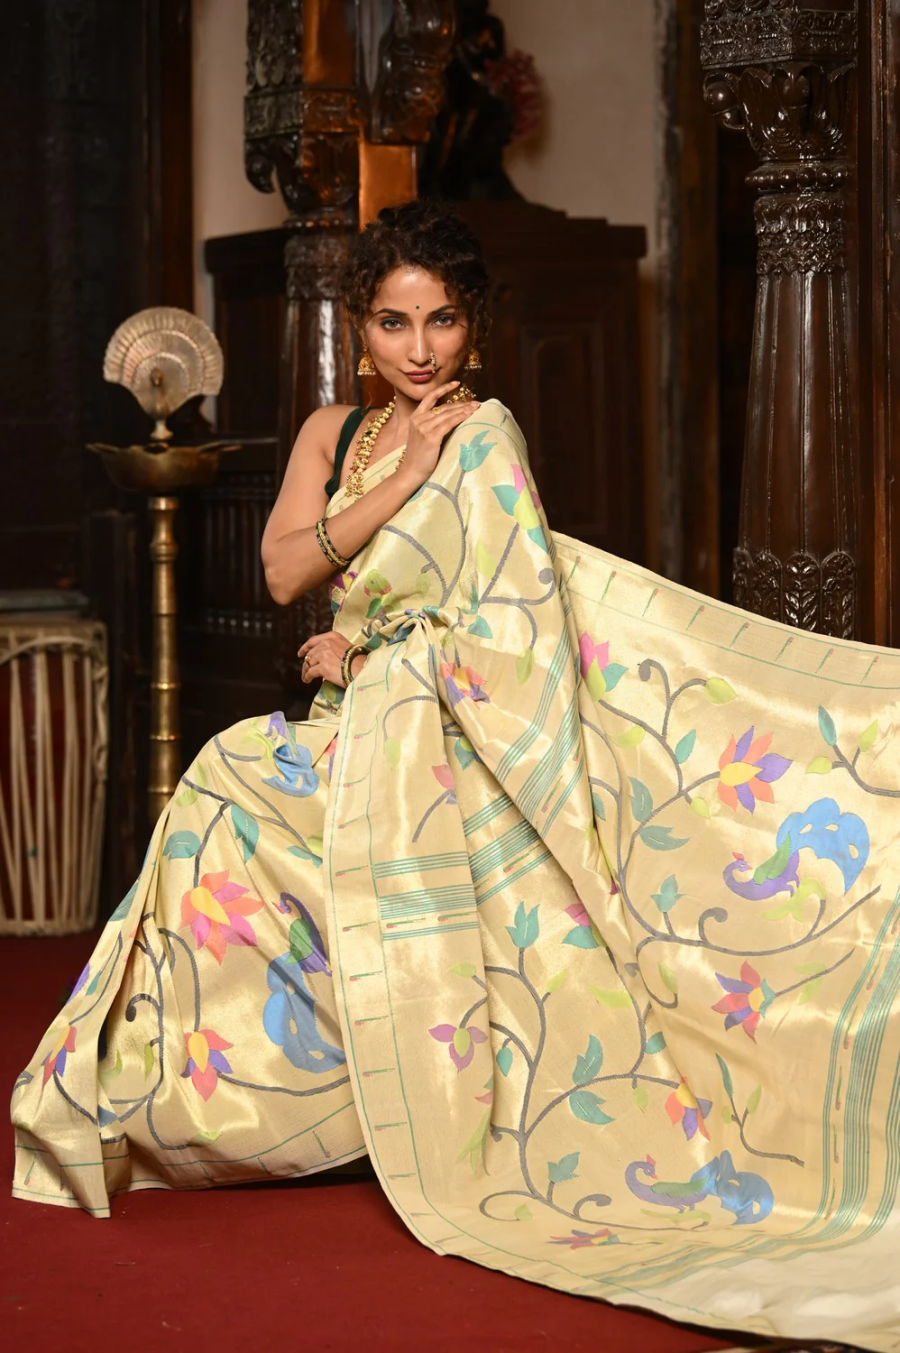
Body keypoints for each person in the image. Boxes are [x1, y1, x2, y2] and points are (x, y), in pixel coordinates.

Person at [11, 201, 900, 1352]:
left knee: (238, 782)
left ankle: (349, 1105)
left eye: (440, 321)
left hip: (449, 735)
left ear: (471, 324)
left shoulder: (486, 437)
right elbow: (282, 572)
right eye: (394, 322)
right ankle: (201, 1107)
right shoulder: (335, 432)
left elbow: (509, 625)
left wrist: (375, 646)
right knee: (227, 780)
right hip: (358, 720)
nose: (419, 348)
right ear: (360, 325)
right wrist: (399, 479)